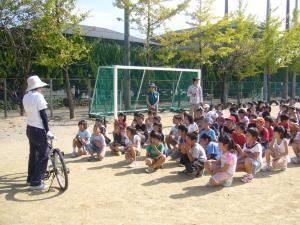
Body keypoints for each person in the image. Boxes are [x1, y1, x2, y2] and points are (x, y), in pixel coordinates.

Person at [23, 75, 51, 190]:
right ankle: (36, 182)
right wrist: (48, 130)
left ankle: (30, 178)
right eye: (40, 86)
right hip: (38, 129)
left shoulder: (25, 97)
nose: (41, 88)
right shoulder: (38, 97)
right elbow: (43, 115)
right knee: (44, 155)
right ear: (37, 86)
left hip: (29, 128)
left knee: (33, 154)